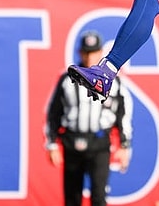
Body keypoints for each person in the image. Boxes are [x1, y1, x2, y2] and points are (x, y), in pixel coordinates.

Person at [45, 30, 132, 206]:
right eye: (86, 52)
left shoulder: (113, 81)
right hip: (71, 141)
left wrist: (124, 145)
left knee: (99, 197)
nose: (90, 57)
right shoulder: (67, 79)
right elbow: (53, 113)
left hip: (99, 142)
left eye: (93, 52)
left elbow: (123, 114)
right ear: (80, 53)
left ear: (100, 52)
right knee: (72, 197)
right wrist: (52, 143)